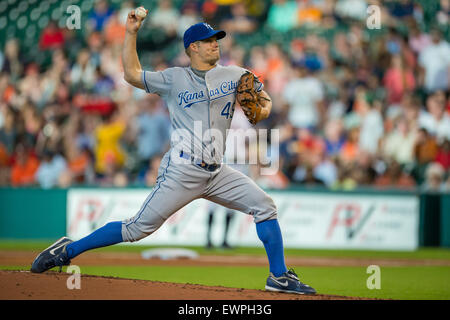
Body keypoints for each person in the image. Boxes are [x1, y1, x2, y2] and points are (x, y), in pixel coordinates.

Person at [30, 12, 316, 295]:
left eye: (216, 39)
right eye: (208, 41)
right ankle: (68, 250)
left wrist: (262, 106)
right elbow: (131, 74)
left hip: (218, 171)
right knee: (136, 229)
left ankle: (278, 277)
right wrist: (131, 32)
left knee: (265, 206)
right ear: (193, 47)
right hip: (182, 170)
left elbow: (263, 103)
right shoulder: (173, 78)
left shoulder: (236, 74)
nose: (215, 44)